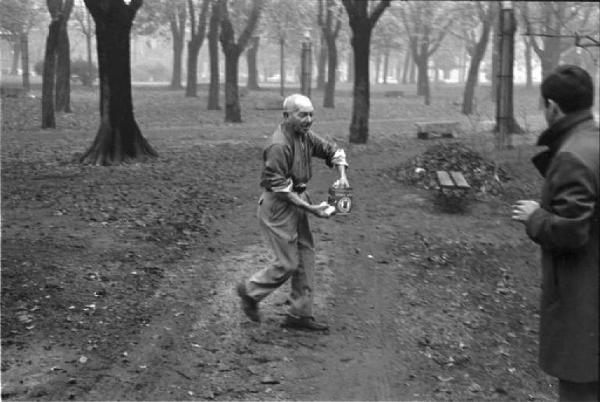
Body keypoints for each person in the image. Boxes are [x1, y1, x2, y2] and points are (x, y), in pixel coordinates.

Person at [511, 65, 598, 401]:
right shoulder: (592, 141)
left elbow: (574, 231)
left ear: (553, 107)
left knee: (580, 389)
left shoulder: (571, 156)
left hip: (583, 300)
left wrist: (536, 217)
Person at [236, 93, 349, 331]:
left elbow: (333, 151)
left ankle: (299, 314)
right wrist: (312, 209)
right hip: (278, 206)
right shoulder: (278, 145)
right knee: (287, 264)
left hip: (297, 199)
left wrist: (342, 177)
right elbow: (278, 187)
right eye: (302, 115)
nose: (308, 120)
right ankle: (250, 291)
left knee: (305, 256)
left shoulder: (305, 136)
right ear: (287, 116)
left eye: (311, 114)